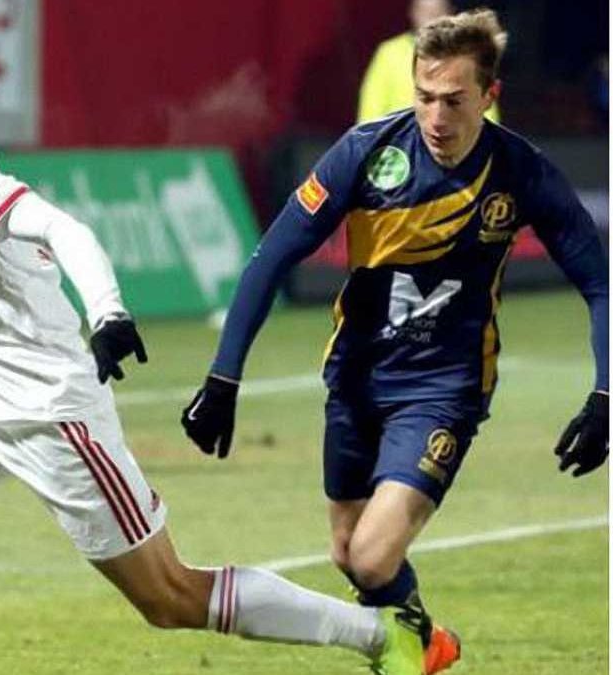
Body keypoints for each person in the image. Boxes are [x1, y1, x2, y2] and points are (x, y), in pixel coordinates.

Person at [0, 8, 431, 675]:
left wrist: (108, 312)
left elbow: (64, 230)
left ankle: (382, 634)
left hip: (51, 407)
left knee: (169, 596)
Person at [183, 8, 607, 674]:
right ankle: (423, 643)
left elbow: (600, 281)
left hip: (445, 387)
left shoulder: (520, 171)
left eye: (454, 100)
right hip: (355, 378)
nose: (436, 116)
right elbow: (272, 257)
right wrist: (223, 377)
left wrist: (606, 392)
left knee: (374, 556)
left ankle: (406, 655)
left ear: (489, 95)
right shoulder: (366, 152)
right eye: (425, 96)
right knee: (347, 550)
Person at [358, 0, 500, 124]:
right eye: (425, 11)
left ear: (449, 15)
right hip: (400, 142)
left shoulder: (468, 54)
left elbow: (484, 103)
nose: (431, 17)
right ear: (413, 13)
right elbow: (371, 106)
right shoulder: (390, 52)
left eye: (437, 11)